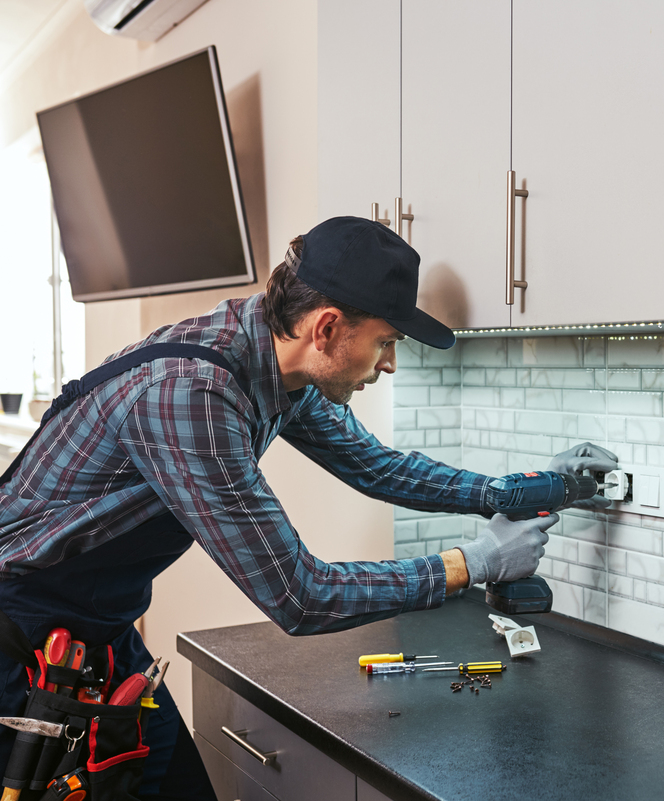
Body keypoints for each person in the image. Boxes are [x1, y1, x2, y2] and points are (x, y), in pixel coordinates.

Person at [0, 217, 619, 799]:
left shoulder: (272, 364)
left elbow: (376, 467)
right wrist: (476, 562)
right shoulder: (192, 397)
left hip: (96, 639)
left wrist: (525, 490)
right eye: (385, 341)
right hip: (16, 642)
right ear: (326, 328)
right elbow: (301, 595)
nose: (389, 363)